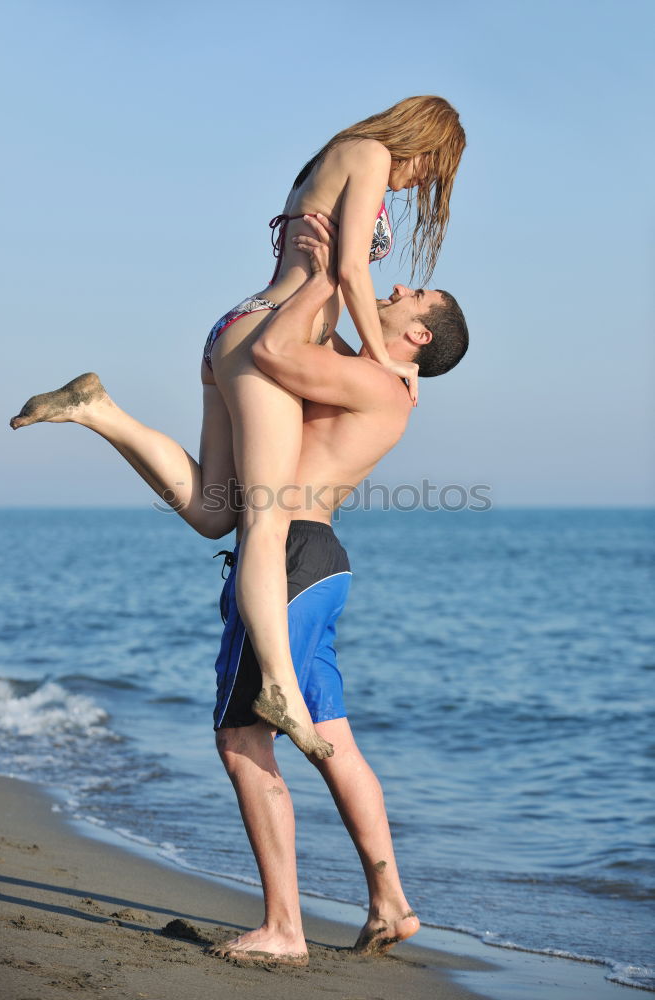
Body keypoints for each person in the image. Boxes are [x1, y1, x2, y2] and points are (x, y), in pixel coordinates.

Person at [207, 215, 468, 964]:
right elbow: (325, 353)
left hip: (287, 559)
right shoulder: (382, 379)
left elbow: (275, 350)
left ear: (420, 336)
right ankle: (391, 901)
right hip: (320, 563)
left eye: (412, 295)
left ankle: (285, 927)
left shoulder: (374, 379)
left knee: (243, 735)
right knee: (335, 745)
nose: (394, 287)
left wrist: (328, 267)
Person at [200, 96, 466, 760]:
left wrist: (360, 357)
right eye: (431, 171)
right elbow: (348, 272)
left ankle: (100, 411)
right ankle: (281, 690)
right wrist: (383, 365)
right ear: (422, 143)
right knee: (266, 517)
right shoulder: (371, 154)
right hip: (270, 335)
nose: (420, 185)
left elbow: (336, 279)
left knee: (214, 508)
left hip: (255, 322)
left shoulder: (335, 157)